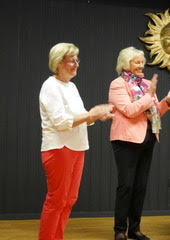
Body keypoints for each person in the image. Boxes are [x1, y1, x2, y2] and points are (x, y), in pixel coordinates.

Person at [39, 42, 114, 240]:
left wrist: (95, 116)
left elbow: (80, 117)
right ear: (58, 63)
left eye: (77, 60)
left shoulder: (71, 86)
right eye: (71, 60)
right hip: (58, 149)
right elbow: (61, 122)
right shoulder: (50, 86)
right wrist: (91, 114)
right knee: (57, 200)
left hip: (77, 147)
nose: (76, 64)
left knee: (69, 199)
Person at [108, 46, 170, 240]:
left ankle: (135, 229)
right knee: (126, 186)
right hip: (126, 140)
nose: (142, 65)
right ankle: (120, 230)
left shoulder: (147, 84)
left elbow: (154, 111)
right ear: (126, 64)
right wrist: (150, 97)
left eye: (142, 62)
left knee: (140, 186)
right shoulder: (117, 84)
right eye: (137, 62)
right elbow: (130, 110)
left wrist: (166, 100)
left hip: (148, 138)